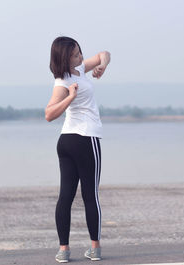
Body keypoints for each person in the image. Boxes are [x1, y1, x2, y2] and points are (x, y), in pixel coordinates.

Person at [45, 36, 111, 263]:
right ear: (65, 58)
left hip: (67, 141)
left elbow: (104, 53)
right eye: (75, 55)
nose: (81, 57)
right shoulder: (62, 82)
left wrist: (103, 65)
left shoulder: (79, 69)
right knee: (89, 195)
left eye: (80, 52)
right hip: (85, 139)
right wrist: (71, 97)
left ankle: (64, 251)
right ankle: (95, 248)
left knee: (66, 196)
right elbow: (49, 114)